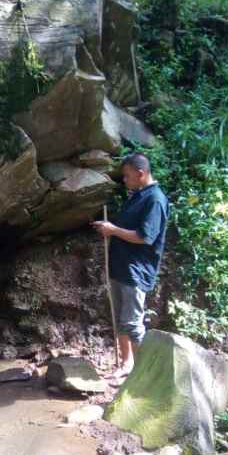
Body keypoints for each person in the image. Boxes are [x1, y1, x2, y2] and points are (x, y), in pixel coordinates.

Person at [91, 153, 170, 380]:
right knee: (120, 320)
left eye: (126, 176)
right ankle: (127, 364)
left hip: (136, 270)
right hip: (121, 266)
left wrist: (113, 230)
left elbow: (145, 237)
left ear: (140, 173)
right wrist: (109, 228)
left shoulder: (155, 199)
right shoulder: (138, 195)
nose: (124, 180)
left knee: (132, 323)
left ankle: (143, 377)